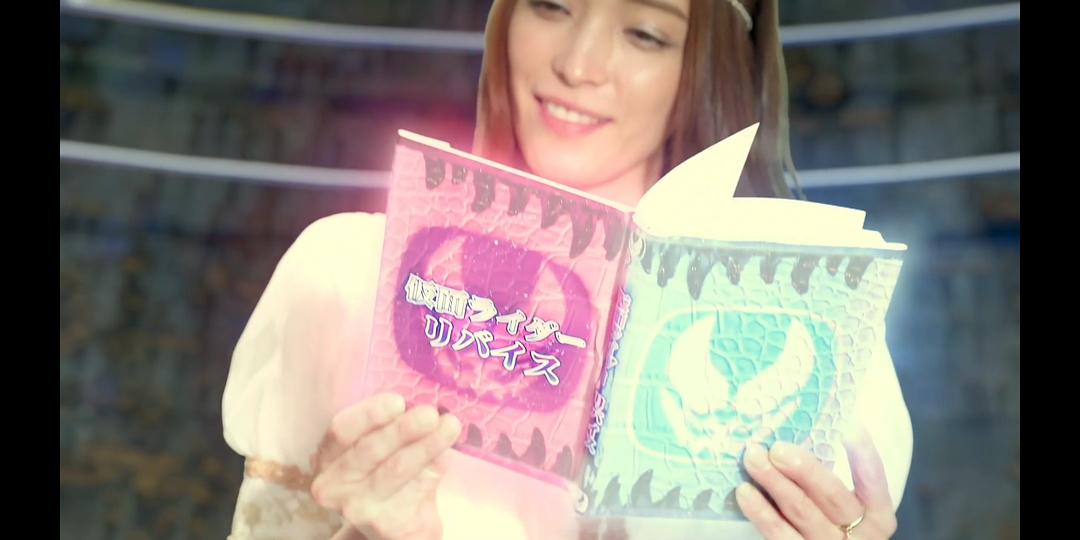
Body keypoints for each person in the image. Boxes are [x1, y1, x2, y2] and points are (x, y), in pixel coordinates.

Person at [222, 1, 913, 538]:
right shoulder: (346, 276)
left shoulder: (820, 336)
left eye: (645, 33)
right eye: (551, 4)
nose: (579, 66)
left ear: (708, 65)